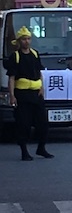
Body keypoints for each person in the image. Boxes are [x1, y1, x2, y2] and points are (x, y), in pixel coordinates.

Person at [4, 25, 52, 161]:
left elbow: (39, 72)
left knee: (43, 123)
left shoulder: (35, 54)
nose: (26, 41)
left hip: (36, 94)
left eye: (28, 39)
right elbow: (12, 78)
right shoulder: (15, 56)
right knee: (23, 124)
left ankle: (41, 148)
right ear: (19, 41)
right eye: (24, 39)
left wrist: (42, 88)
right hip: (22, 94)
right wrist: (12, 95)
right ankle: (24, 151)